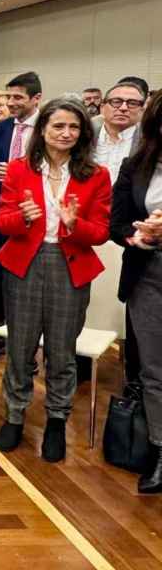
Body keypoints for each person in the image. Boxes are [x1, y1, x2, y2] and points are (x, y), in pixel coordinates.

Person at [0, 97, 111, 463]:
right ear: (42, 129)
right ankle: (15, 413)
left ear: (83, 133)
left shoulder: (96, 175)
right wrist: (24, 218)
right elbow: (3, 223)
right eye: (58, 125)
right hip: (24, 264)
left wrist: (75, 224)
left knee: (62, 351)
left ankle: (57, 419)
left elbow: (101, 232)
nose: (66, 133)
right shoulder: (19, 170)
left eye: (74, 127)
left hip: (69, 263)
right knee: (20, 347)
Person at [111, 90, 162, 493]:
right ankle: (160, 451)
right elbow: (118, 223)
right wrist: (139, 235)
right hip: (148, 274)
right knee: (153, 370)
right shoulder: (136, 166)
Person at [0, 71, 43, 361]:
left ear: (36, 98)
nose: (12, 102)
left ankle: (27, 347)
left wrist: (18, 176)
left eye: (18, 97)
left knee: (31, 282)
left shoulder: (48, 128)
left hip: (34, 216)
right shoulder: (1, 129)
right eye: (9, 96)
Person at [93, 82, 146, 182]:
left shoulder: (150, 141)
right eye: (116, 102)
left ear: (142, 111)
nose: (123, 108)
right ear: (102, 108)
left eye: (132, 103)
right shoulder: (84, 137)